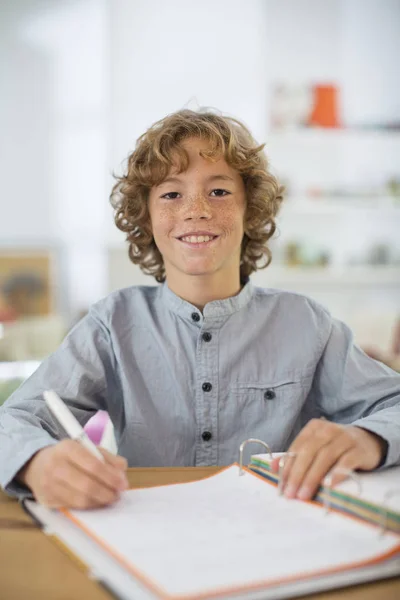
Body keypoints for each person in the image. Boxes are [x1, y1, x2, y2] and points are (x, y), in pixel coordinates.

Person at [0, 109, 399, 510]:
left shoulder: (309, 325)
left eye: (219, 192)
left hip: (277, 533)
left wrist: (369, 438)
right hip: (150, 533)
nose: (197, 210)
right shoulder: (111, 324)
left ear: (251, 210)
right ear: (148, 217)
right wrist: (36, 462)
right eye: (172, 194)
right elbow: (12, 421)